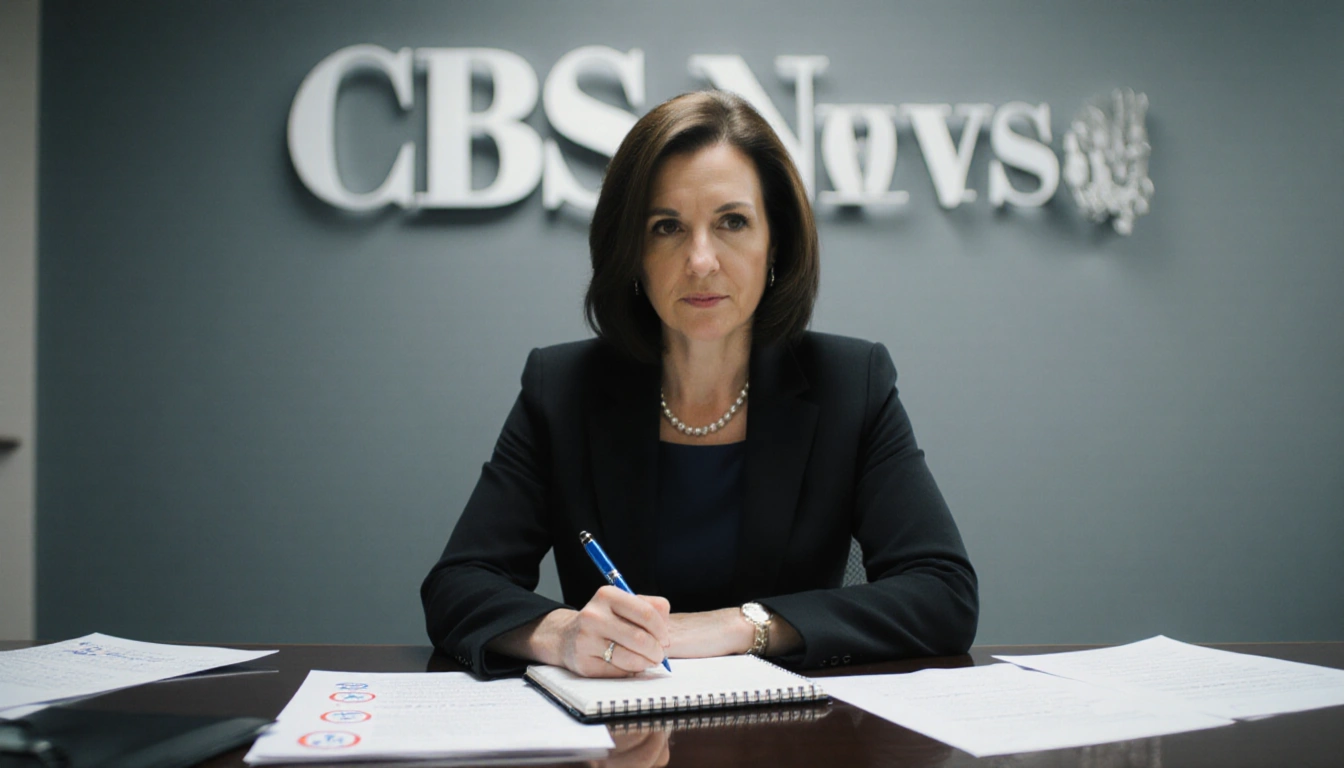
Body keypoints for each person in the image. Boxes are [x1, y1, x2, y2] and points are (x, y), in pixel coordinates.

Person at [421, 90, 977, 679]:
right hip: (616, 732)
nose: (701, 259)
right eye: (667, 227)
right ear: (631, 252)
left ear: (776, 243)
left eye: (732, 221)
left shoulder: (851, 385)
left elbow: (943, 594)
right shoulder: (561, 389)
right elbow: (458, 586)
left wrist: (742, 626)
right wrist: (564, 635)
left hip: (794, 736)